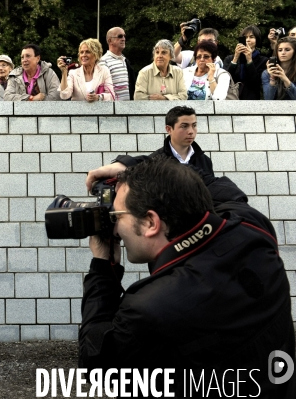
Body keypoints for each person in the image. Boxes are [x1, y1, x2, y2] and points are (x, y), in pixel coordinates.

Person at [80, 156, 295, 397]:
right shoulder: (255, 229)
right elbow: (209, 183)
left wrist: (102, 267)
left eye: (117, 216)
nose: (115, 228)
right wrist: (133, 166)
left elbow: (97, 362)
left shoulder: (149, 308)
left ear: (151, 222)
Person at [113, 106, 214, 178]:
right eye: (184, 126)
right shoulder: (156, 160)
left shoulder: (205, 161)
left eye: (194, 125)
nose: (191, 131)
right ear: (169, 129)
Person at [223, 25, 268, 100]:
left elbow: (255, 82)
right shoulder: (229, 59)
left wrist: (249, 60)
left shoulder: (263, 60)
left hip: (251, 98)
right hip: (232, 97)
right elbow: (226, 79)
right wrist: (235, 58)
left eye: (251, 37)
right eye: (245, 37)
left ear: (257, 39)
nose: (248, 40)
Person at [99, 27, 136, 101]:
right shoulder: (103, 61)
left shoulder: (125, 61)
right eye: (120, 36)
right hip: (112, 109)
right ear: (110, 41)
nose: (123, 39)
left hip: (128, 108)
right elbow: (102, 88)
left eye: (124, 36)